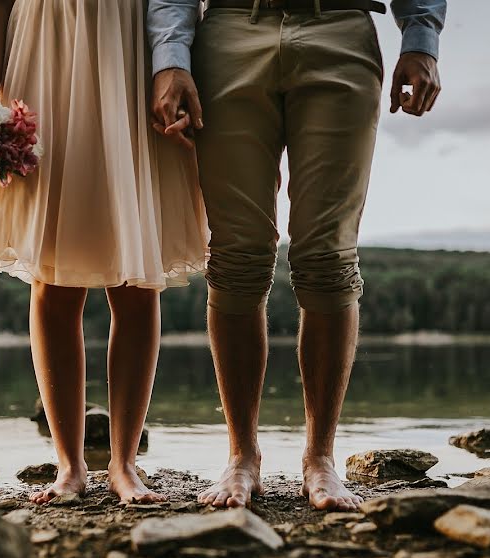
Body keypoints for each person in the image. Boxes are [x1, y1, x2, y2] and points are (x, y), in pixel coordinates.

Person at [147, 0, 446, 511]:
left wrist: (421, 40)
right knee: (238, 257)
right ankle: (242, 456)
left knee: (328, 257)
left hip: (342, 31)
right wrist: (170, 58)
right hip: (228, 33)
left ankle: (320, 458)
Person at [0, 0, 209, 504]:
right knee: (52, 275)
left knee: (135, 277)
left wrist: (177, 66)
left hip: (131, 58)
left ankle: (125, 465)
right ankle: (69, 467)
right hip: (45, 61)